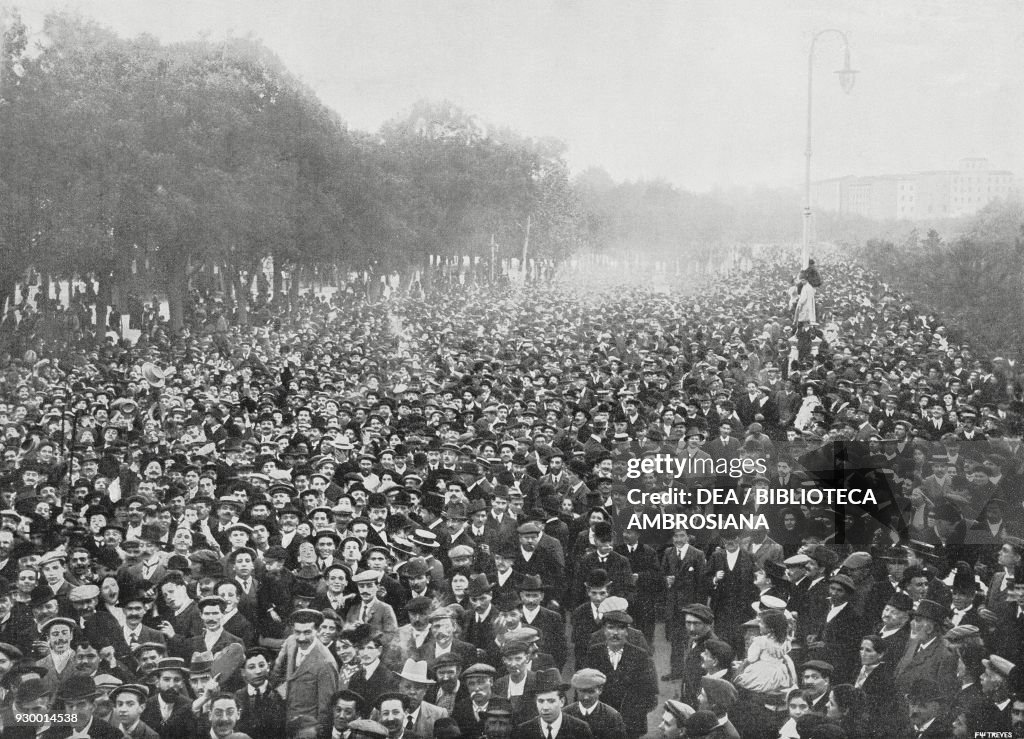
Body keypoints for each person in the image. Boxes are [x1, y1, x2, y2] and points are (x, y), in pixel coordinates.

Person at [510, 668, 593, 739]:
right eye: (541, 701)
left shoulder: (580, 729)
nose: (545, 707)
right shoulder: (523, 731)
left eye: (551, 701)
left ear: (562, 702)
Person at [732, 610, 797, 694]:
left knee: (745, 683)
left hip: (763, 673)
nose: (759, 625)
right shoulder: (785, 641)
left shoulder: (761, 641)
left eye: (762, 624)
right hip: (779, 673)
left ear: (771, 628)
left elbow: (752, 658)